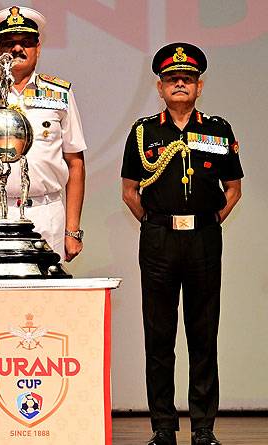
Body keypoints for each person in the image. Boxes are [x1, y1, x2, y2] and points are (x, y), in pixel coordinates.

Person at [121, 43, 242, 445]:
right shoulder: (144, 132)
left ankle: (204, 428)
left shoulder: (218, 130)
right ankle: (163, 427)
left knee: (203, 335)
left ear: (199, 86)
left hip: (203, 240)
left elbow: (233, 189)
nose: (179, 84)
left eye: (187, 79)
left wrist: (208, 221)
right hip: (159, 240)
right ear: (159, 87)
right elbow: (130, 191)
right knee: (159, 337)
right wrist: (158, 223)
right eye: (172, 78)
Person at [0, 6, 87, 261]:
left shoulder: (59, 94)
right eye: (8, 43)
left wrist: (72, 230)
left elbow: (75, 162)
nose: (17, 49)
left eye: (26, 42)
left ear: (38, 48)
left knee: (47, 286)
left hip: (46, 212)